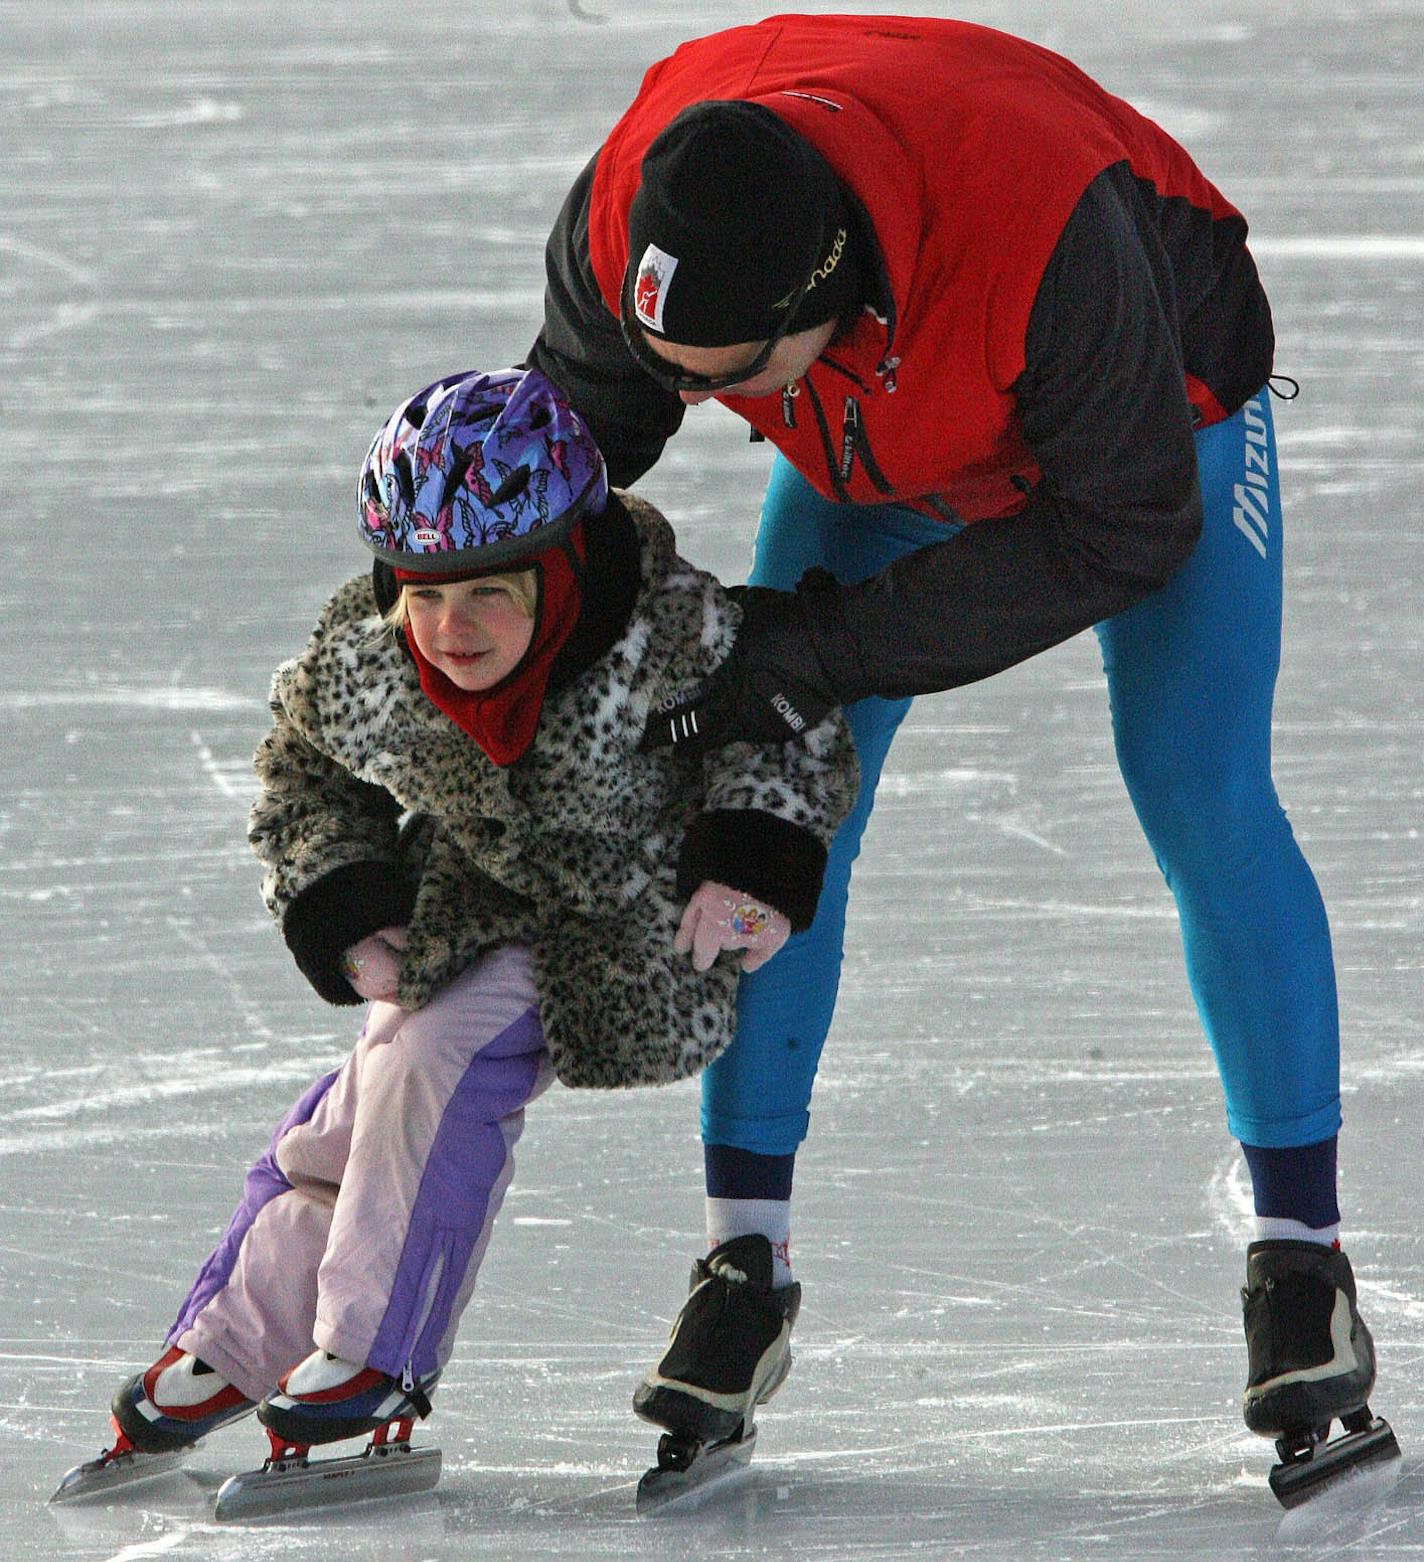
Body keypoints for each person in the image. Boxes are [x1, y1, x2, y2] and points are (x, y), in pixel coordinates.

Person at [527, 15, 1390, 1473]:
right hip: (886, 428)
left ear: (823, 295)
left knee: (1198, 791)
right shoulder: (636, 206)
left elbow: (1121, 529)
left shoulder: (1038, 237)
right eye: (662, 357)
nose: (685, 399)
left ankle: (1301, 1264)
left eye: (718, 374)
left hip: (1140, 428)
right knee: (783, 795)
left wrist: (820, 642)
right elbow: (574, 435)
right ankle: (745, 1259)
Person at [84, 368, 857, 1476]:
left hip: (633, 913)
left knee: (435, 1067)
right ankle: (241, 1337)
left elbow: (786, 732)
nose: (448, 627)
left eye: (489, 591)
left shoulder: (667, 631)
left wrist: (750, 864)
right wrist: (346, 905)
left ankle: (374, 1356)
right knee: (356, 1113)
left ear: (562, 567)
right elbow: (300, 776)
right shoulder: (372, 653)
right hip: (473, 906)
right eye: (424, 590)